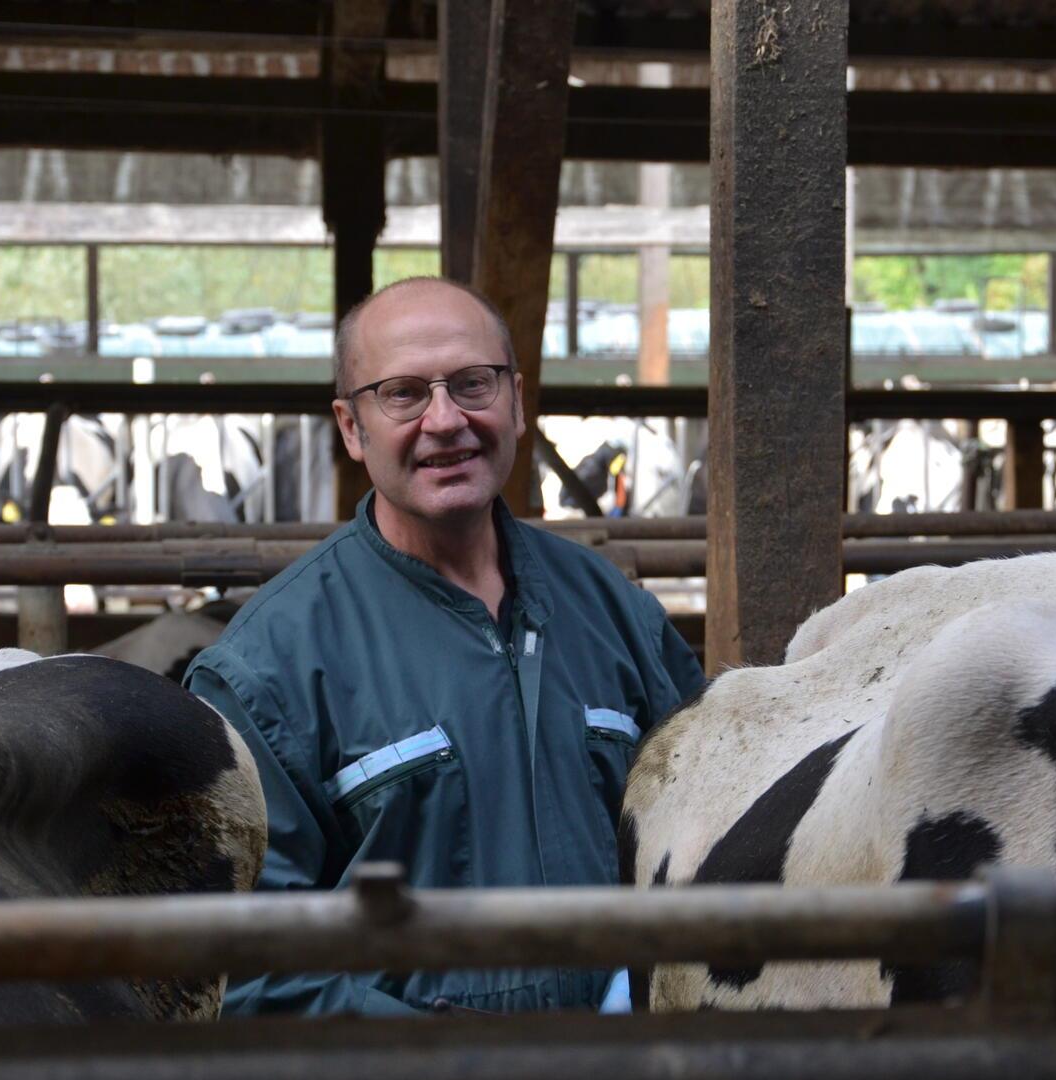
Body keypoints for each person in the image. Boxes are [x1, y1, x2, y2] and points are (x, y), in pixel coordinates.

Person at [183, 277, 705, 1016]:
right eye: (402, 393)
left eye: (473, 384)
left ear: (518, 402)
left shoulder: (615, 613)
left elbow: (717, 824)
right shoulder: (268, 669)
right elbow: (242, 966)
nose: (445, 420)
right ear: (351, 426)